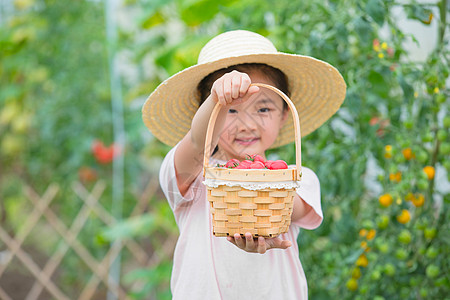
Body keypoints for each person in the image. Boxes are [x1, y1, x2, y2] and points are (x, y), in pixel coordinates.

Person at [142, 30, 346, 299]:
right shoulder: (195, 177)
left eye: (263, 109)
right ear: (205, 115)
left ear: (285, 114)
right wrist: (218, 99)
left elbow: (288, 206)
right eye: (231, 111)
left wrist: (266, 228)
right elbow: (196, 142)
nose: (247, 125)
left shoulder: (294, 177)